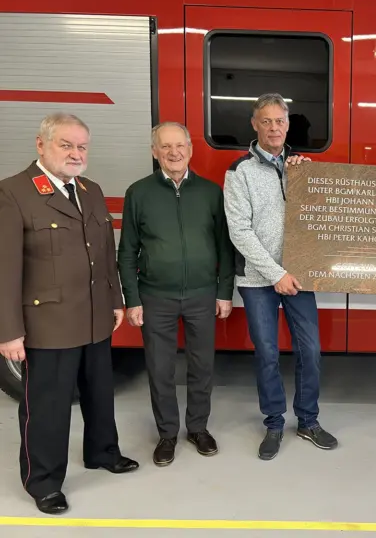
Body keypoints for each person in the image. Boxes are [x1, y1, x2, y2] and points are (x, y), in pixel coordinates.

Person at [0, 113, 139, 515]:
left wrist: (115, 299)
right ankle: (42, 481)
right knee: (47, 406)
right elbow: (5, 269)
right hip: (47, 324)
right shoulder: (13, 193)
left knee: (99, 395)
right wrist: (9, 331)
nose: (76, 153)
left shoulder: (90, 190)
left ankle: (102, 452)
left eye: (82, 146)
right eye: (66, 144)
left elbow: (104, 254)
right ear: (41, 144)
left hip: (95, 316)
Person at [223, 93, 337, 460]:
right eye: (267, 121)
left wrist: (306, 179)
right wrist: (276, 274)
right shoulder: (239, 172)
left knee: (311, 350)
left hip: (299, 278)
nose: (274, 127)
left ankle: (308, 421)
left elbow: (320, 218)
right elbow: (239, 231)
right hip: (259, 280)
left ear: (288, 125)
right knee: (267, 353)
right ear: (254, 125)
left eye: (280, 121)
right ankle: (274, 423)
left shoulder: (302, 167)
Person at [117, 122, 235, 467]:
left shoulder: (211, 193)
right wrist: (133, 298)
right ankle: (167, 433)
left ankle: (198, 427)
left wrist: (224, 291)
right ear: (155, 151)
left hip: (202, 294)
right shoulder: (138, 193)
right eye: (165, 146)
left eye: (180, 145)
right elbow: (127, 251)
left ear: (190, 149)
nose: (174, 152)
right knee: (160, 367)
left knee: (202, 366)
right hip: (155, 296)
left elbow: (224, 248)